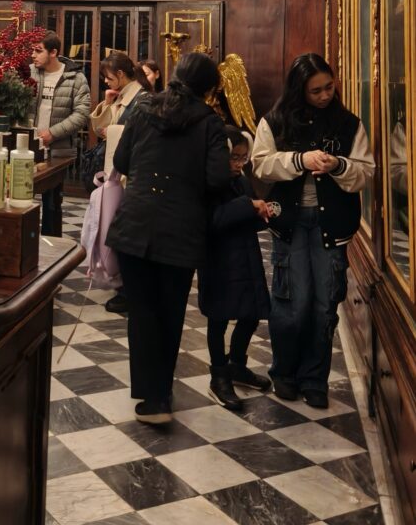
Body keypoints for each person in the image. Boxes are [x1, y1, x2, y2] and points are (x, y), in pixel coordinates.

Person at [106, 52, 230, 425]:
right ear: (208, 89)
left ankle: (151, 397)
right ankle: (160, 395)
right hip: (181, 229)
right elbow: (218, 179)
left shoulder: (145, 109)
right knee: (170, 312)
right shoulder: (210, 123)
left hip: (136, 223)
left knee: (142, 311)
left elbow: (122, 161)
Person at [252, 52, 374, 409]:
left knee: (324, 305)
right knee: (292, 302)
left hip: (331, 225)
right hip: (289, 224)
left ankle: (314, 379)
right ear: (298, 90)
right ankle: (284, 373)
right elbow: (260, 165)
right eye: (315, 90)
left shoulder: (349, 124)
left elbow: (366, 172)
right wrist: (299, 160)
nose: (324, 96)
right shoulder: (275, 121)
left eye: (329, 87)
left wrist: (338, 165)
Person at [199, 126, 272, 412]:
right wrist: (248, 205)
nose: (240, 164)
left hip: (246, 257)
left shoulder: (241, 180)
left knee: (250, 314)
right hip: (218, 260)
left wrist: (262, 213)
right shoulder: (208, 183)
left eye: (243, 158)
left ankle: (237, 365)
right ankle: (218, 376)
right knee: (218, 319)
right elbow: (212, 220)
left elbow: (247, 214)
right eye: (234, 157)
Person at [89, 51, 149, 314]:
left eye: (108, 77)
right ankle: (121, 283)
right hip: (116, 176)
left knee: (124, 233)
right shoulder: (122, 97)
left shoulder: (143, 100)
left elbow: (138, 137)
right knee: (111, 229)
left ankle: (128, 290)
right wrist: (107, 103)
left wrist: (112, 131)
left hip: (129, 178)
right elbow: (98, 129)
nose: (106, 82)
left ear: (122, 75)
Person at [30, 32, 91, 235]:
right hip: (27, 148)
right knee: (21, 200)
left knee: (52, 204)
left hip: (57, 150)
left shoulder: (75, 78)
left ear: (53, 52)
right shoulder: (29, 73)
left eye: (38, 50)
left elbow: (82, 114)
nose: (33, 55)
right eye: (32, 50)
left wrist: (52, 134)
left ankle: (52, 247)